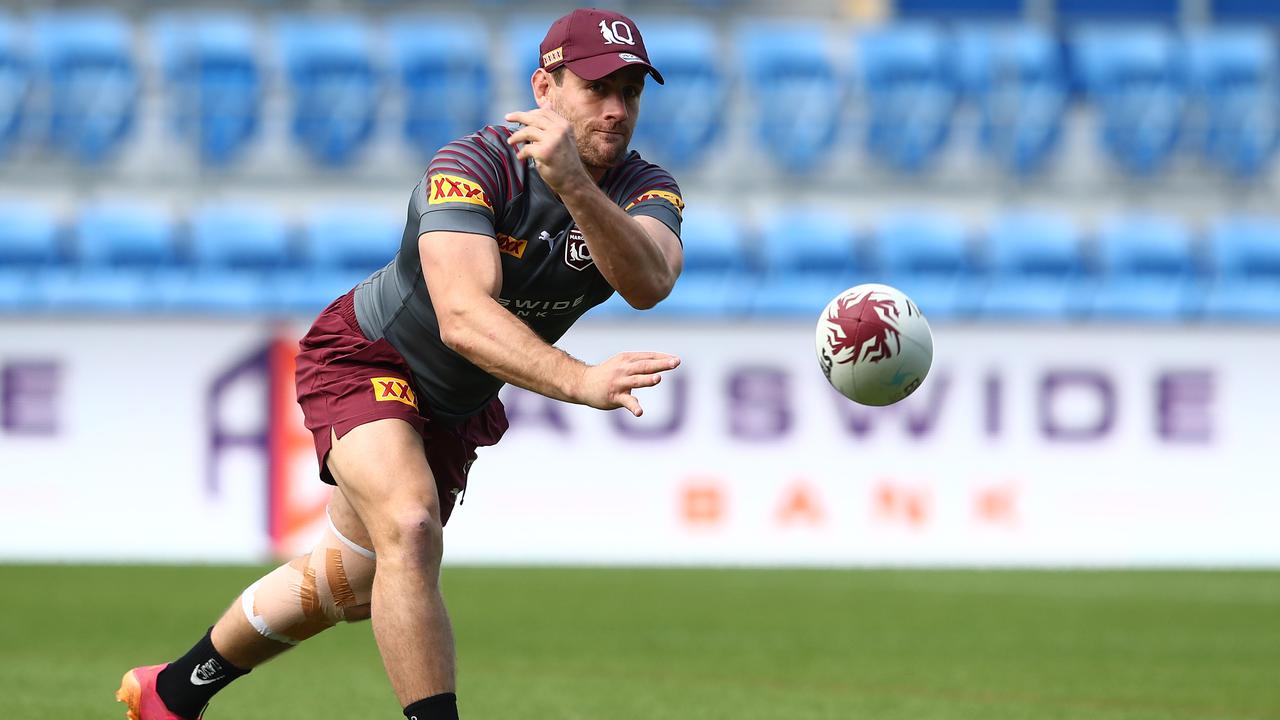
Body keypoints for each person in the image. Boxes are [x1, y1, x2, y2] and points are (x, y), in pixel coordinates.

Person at [115, 8, 684, 720]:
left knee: (350, 582)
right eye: (597, 87)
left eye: (630, 91)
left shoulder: (645, 186)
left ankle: (171, 693)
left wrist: (576, 187)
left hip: (453, 404)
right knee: (411, 525)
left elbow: (650, 282)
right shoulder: (469, 168)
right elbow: (462, 319)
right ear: (545, 89)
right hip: (367, 356)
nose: (616, 108)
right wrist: (581, 379)